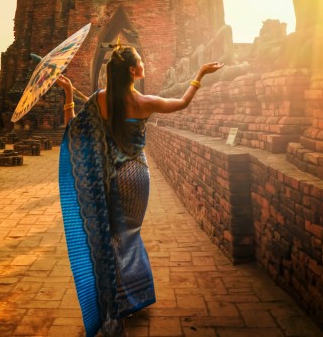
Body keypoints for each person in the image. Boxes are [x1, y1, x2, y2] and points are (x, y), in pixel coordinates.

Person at [56, 45, 223, 337]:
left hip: (108, 178)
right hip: (136, 176)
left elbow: (72, 131)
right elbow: (182, 103)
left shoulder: (98, 101)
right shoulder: (145, 101)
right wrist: (200, 75)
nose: (144, 63)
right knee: (129, 235)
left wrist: (69, 95)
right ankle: (131, 297)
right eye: (141, 62)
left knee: (108, 237)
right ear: (133, 71)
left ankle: (114, 299)